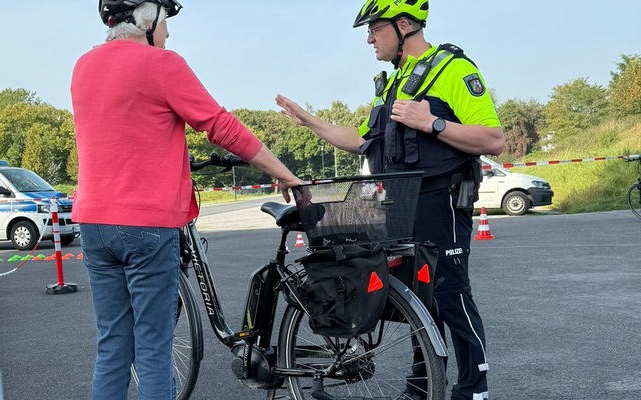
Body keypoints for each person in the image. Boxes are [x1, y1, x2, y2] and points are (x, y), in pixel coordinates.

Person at [70, 1, 303, 399]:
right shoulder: (161, 64)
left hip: (93, 221)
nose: (168, 33)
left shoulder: (83, 67)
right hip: (145, 224)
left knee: (112, 346)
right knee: (153, 350)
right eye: (165, 22)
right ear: (146, 21)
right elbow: (220, 125)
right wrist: (283, 173)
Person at [276, 1, 504, 399]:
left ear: (403, 26)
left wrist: (431, 122)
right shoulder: (397, 83)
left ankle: (474, 390)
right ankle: (421, 388)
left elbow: (492, 139)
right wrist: (309, 120)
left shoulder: (453, 70)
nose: (368, 39)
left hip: (441, 201)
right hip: (400, 205)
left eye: (374, 29)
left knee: (451, 295)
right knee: (419, 301)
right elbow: (359, 139)